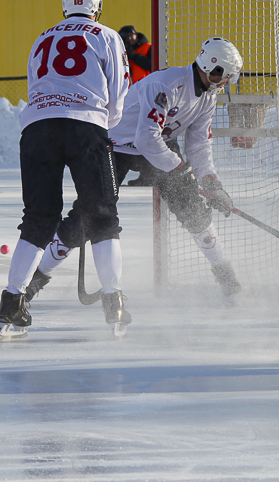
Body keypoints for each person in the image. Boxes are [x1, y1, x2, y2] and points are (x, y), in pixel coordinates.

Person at [27, 37, 245, 303]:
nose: (225, 83)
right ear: (214, 69)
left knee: (192, 206)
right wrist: (179, 168)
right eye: (225, 77)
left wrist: (211, 182)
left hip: (157, 148)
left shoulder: (208, 97)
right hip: (114, 145)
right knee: (86, 216)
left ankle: (227, 278)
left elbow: (199, 144)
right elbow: (146, 138)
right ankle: (33, 281)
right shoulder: (167, 85)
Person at [0, 0, 131, 339]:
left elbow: (33, 87)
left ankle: (12, 301)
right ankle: (113, 299)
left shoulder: (43, 37)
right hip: (85, 127)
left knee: (38, 219)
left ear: (65, 3)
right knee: (102, 217)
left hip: (38, 129)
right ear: (97, 5)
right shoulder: (106, 36)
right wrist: (102, 124)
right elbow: (119, 94)